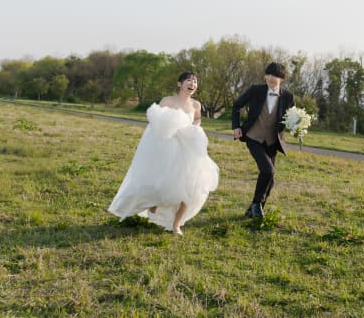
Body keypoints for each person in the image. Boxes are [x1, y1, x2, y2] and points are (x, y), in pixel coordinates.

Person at [108, 72, 219, 235]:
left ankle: (176, 224)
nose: (192, 84)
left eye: (195, 81)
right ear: (179, 84)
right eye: (189, 80)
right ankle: (153, 206)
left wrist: (194, 127)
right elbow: (156, 122)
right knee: (163, 182)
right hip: (168, 147)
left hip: (187, 147)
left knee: (191, 185)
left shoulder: (196, 104)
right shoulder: (168, 101)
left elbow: (197, 119)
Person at [231, 62, 294, 218]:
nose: (271, 78)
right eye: (268, 74)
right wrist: (236, 126)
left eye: (275, 76)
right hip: (254, 137)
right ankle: (256, 205)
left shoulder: (288, 96)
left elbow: (292, 118)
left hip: (272, 141)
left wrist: (297, 126)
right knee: (268, 170)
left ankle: (252, 211)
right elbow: (236, 105)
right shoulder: (256, 90)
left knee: (270, 180)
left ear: (282, 79)